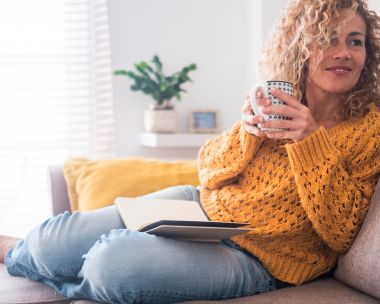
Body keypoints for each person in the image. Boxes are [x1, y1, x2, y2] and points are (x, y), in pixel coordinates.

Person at [1, 0, 379, 303]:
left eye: (355, 40)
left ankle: (69, 275)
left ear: (368, 54)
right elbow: (209, 171)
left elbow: (343, 232)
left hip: (259, 259)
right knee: (55, 240)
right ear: (302, 47)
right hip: (197, 207)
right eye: (328, 38)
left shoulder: (370, 128)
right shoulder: (279, 100)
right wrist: (245, 131)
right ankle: (23, 254)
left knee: (111, 263)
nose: (343, 52)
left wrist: (309, 139)